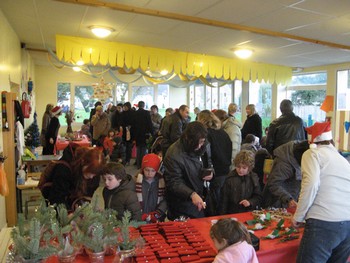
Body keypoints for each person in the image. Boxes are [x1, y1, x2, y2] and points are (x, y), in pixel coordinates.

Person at [292, 122, 350, 263]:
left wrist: (298, 216)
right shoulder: (342, 160)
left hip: (323, 222)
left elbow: (311, 184)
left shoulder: (312, 154)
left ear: (311, 140)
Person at [163, 121, 212, 220]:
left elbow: (209, 162)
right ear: (188, 139)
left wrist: (211, 173)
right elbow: (174, 182)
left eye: (202, 142)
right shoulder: (173, 154)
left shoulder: (204, 145)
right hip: (182, 203)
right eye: (196, 143)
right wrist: (191, 194)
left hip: (202, 196)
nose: (199, 146)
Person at [197, 110, 232, 215]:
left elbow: (206, 154)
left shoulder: (206, 135)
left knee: (213, 205)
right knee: (222, 202)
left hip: (213, 173)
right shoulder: (223, 133)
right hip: (225, 170)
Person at [262, 140, 309, 208]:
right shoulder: (283, 165)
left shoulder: (299, 149)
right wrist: (288, 199)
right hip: (279, 203)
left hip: (290, 199)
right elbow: (273, 184)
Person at [219, 150, 262, 215]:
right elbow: (224, 200)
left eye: (244, 168)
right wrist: (222, 216)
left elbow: (258, 196)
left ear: (249, 168)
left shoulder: (253, 178)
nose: (240, 170)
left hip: (248, 212)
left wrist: (250, 202)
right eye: (238, 167)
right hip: (232, 212)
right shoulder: (230, 178)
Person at [135, 153, 167, 223]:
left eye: (153, 171)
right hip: (140, 217)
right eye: (147, 170)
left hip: (157, 218)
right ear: (143, 169)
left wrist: (158, 213)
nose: (149, 173)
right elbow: (132, 200)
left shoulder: (162, 182)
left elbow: (165, 200)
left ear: (157, 170)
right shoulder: (136, 181)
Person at [133, 101, 153, 169]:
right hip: (145, 133)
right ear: (144, 106)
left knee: (138, 149)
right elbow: (149, 123)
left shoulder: (135, 113)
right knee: (144, 149)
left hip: (137, 134)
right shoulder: (146, 113)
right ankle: (143, 164)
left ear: (138, 105)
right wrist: (152, 133)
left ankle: (138, 164)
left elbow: (133, 125)